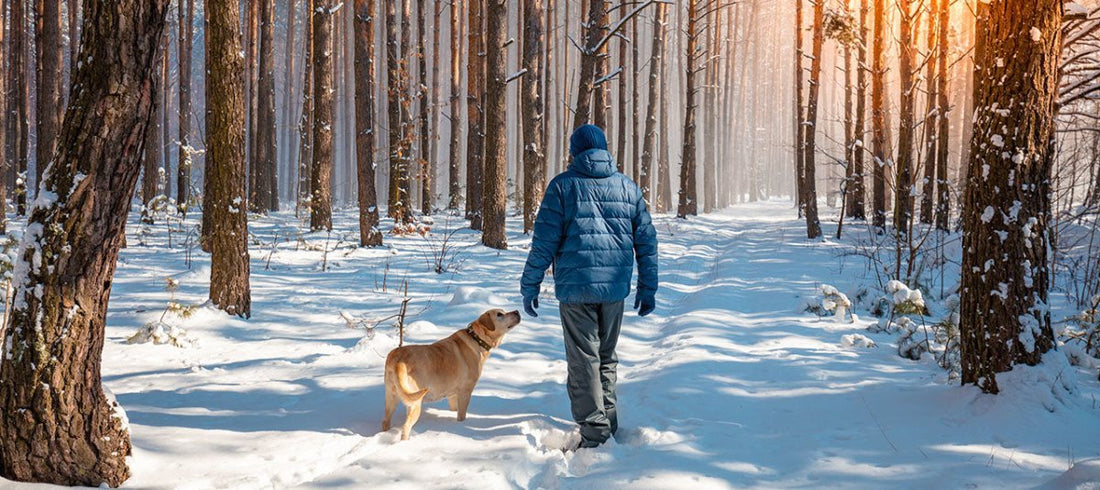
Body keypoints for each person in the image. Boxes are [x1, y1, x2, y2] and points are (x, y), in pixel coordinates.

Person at [520, 124, 658, 449]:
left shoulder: (562, 187)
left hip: (575, 290)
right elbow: (647, 241)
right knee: (606, 357)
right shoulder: (627, 188)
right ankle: (606, 422)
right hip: (614, 289)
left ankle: (595, 433)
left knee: (584, 360)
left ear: (574, 152)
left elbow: (543, 244)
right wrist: (647, 287)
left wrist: (531, 285)